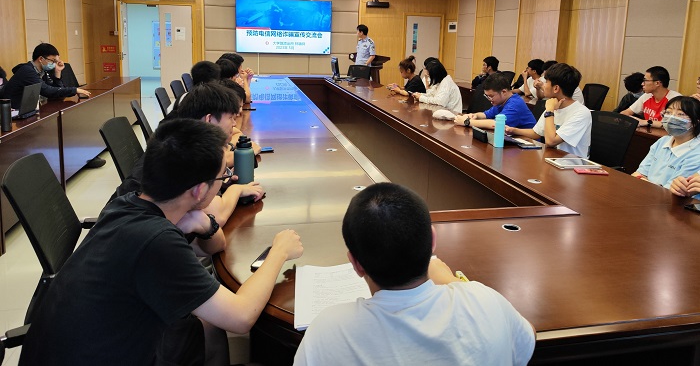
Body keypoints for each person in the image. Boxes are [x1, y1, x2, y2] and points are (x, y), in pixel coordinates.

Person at [20, 118, 303, 365]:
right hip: (103, 355)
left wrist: (204, 224)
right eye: (223, 176)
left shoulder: (130, 203)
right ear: (199, 190)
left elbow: (216, 246)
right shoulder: (156, 241)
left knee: (207, 323)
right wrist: (278, 252)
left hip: (79, 346)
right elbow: (241, 317)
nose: (226, 180)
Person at [293, 182, 535, 366]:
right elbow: (526, 338)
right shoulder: (486, 301)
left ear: (356, 264)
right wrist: (453, 282)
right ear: (433, 242)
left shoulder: (327, 332)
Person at [113, 82, 263, 229]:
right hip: (138, 232)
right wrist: (237, 190)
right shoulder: (185, 153)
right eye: (231, 118)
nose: (234, 124)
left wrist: (219, 182)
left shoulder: (181, 140)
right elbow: (215, 216)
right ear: (209, 119)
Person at [506, 63, 592, 158]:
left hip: (572, 163)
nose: (543, 85)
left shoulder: (581, 113)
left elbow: (551, 141)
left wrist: (550, 111)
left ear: (556, 88)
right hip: (553, 158)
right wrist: (513, 130)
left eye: (546, 82)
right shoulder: (553, 104)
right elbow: (536, 133)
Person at [632, 96, 700, 189]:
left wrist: (643, 181)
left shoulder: (696, 153)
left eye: (680, 114)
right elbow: (638, 174)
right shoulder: (663, 141)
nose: (671, 117)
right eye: (668, 112)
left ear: (695, 122)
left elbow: (672, 190)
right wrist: (642, 179)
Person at [3, 43, 90, 108]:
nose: (54, 64)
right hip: (14, 112)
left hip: (30, 110)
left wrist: (58, 72)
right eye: (53, 61)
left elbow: (55, 95)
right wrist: (74, 90)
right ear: (41, 59)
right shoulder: (27, 71)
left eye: (56, 61)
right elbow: (47, 91)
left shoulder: (42, 71)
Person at [456, 72, 536, 129]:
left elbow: (496, 124)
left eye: (491, 96)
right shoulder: (502, 102)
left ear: (503, 92)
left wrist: (467, 122)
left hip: (528, 144)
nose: (489, 99)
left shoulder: (515, 104)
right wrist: (474, 116)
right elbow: (485, 114)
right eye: (487, 96)